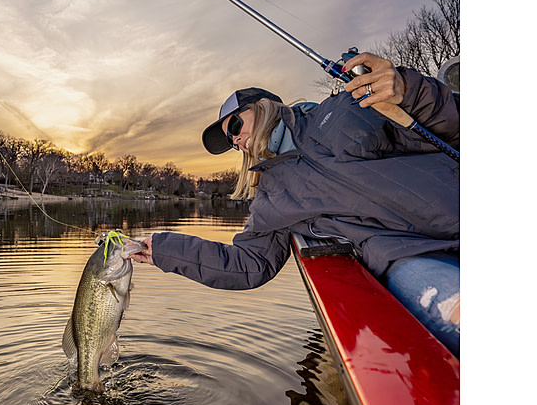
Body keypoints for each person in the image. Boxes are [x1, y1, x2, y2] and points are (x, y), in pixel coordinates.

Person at [129, 52, 460, 358]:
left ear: (263, 106)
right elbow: (249, 264)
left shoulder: (344, 109)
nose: (236, 140)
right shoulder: (271, 197)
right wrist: (163, 249)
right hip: (411, 257)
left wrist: (409, 91)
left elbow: (452, 128)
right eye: (231, 141)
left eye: (235, 126)